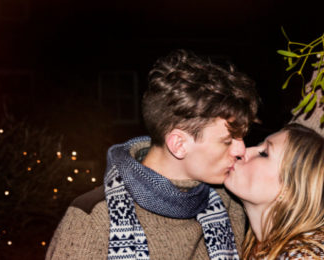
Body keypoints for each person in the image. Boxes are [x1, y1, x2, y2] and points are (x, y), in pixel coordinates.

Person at [46, 49, 259, 259]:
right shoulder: (92, 218)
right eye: (227, 141)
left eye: (242, 138)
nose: (241, 150)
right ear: (178, 144)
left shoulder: (227, 204)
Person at [224, 123, 324, 259]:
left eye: (264, 154)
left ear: (289, 190)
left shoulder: (306, 256)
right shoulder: (261, 247)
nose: (245, 150)